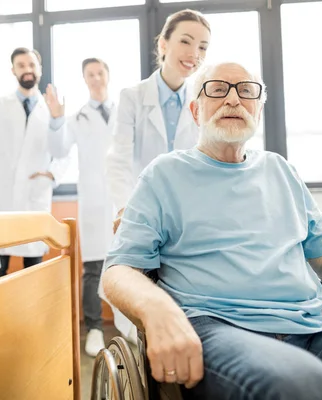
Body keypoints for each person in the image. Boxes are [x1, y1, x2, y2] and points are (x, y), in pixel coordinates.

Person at [101, 61, 322, 399]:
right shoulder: (164, 174)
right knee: (303, 385)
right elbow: (120, 270)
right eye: (218, 89)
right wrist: (158, 310)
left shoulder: (281, 171)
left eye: (246, 91)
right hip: (219, 328)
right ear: (195, 110)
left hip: (314, 327)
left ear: (258, 110)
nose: (233, 100)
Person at [103, 8, 211, 342]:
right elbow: (118, 160)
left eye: (203, 47)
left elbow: (205, 161)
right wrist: (126, 209)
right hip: (141, 210)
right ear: (163, 43)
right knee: (137, 300)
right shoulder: (132, 97)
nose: (194, 54)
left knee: (186, 296)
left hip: (186, 214)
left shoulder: (202, 99)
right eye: (186, 41)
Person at [0, 46, 70, 279]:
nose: (27, 70)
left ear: (40, 70)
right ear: (13, 70)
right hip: (0, 198)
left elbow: (63, 151)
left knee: (33, 272)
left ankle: (28, 317)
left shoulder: (52, 108)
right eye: (21, 65)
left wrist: (52, 174)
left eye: (32, 65)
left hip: (33, 197)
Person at [46, 58, 116, 356]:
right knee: (93, 267)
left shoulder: (124, 111)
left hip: (123, 197)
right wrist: (56, 119)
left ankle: (133, 324)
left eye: (100, 73)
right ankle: (96, 329)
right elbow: (59, 149)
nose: (96, 78)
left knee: (133, 263)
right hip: (94, 201)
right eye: (90, 74)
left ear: (108, 76)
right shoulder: (77, 118)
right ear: (84, 80)